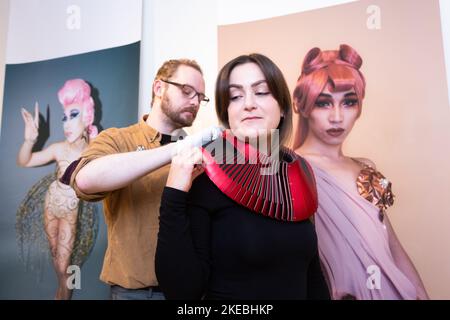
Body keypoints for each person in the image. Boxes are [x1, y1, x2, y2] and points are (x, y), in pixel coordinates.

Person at [155, 53, 330, 300]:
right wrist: (173, 193)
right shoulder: (206, 175)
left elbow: (312, 277)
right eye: (235, 96)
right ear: (227, 115)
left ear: (282, 108)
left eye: (261, 92)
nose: (248, 103)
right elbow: (182, 291)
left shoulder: (299, 174)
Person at [67, 59, 220, 300]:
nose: (195, 101)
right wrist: (176, 150)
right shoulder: (118, 140)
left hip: (192, 292)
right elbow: (85, 181)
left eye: (200, 97)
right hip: (135, 294)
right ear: (159, 88)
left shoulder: (204, 152)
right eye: (187, 91)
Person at [292, 44, 429, 299]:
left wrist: (421, 294)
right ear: (301, 105)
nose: (336, 117)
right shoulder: (290, 168)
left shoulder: (365, 169)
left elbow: (392, 247)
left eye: (349, 102)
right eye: (323, 103)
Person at [16, 78, 99, 300]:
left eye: (73, 115)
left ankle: (66, 293)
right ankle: (62, 289)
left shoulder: (96, 150)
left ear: (87, 116)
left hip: (71, 209)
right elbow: (24, 161)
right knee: (56, 255)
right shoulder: (59, 148)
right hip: (50, 203)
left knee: (65, 264)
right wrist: (28, 140)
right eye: (64, 117)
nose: (66, 124)